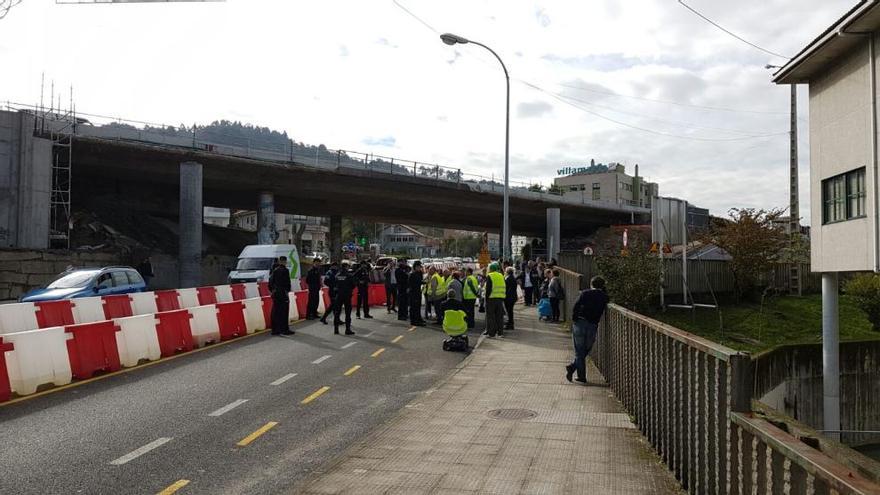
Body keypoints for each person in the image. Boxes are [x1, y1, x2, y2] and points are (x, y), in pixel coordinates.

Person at [566, 276, 609, 383]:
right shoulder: (604, 297)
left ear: (591, 284)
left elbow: (576, 305)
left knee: (579, 350)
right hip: (593, 325)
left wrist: (574, 318)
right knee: (586, 349)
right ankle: (574, 369)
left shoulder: (585, 293)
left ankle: (578, 372)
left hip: (580, 322)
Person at [268, 256, 294, 336]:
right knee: (284, 311)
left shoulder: (274, 270)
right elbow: (287, 283)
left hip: (276, 293)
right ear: (284, 262)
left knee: (275, 311)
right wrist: (287, 291)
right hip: (283, 293)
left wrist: (273, 290)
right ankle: (284, 329)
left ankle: (275, 329)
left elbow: (270, 283)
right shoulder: (285, 270)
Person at [332, 262, 357, 335]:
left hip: (338, 295)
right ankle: (347, 329)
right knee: (347, 313)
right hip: (347, 296)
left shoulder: (337, 275)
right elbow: (353, 285)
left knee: (337, 313)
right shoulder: (349, 275)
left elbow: (335, 284)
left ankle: (336, 329)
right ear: (346, 267)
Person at [483, 262, 506, 338]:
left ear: (491, 269)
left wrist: (486, 299)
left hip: (491, 299)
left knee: (490, 317)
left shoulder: (490, 276)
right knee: (499, 317)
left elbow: (488, 289)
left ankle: (491, 333)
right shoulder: (501, 276)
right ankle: (500, 333)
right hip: (500, 299)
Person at [408, 261, 427, 326]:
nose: (420, 268)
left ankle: (418, 318)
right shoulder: (412, 274)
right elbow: (411, 284)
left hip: (418, 291)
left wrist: (425, 282)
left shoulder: (419, 273)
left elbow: (420, 281)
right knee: (414, 307)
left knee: (418, 306)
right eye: (419, 267)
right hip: (413, 292)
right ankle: (414, 320)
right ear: (415, 267)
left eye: (420, 267)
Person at [504, 266, 518, 330]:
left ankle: (510, 324)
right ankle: (511, 324)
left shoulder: (507, 279)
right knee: (510, 311)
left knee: (509, 311)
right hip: (513, 297)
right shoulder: (514, 278)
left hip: (509, 297)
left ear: (507, 272)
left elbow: (506, 288)